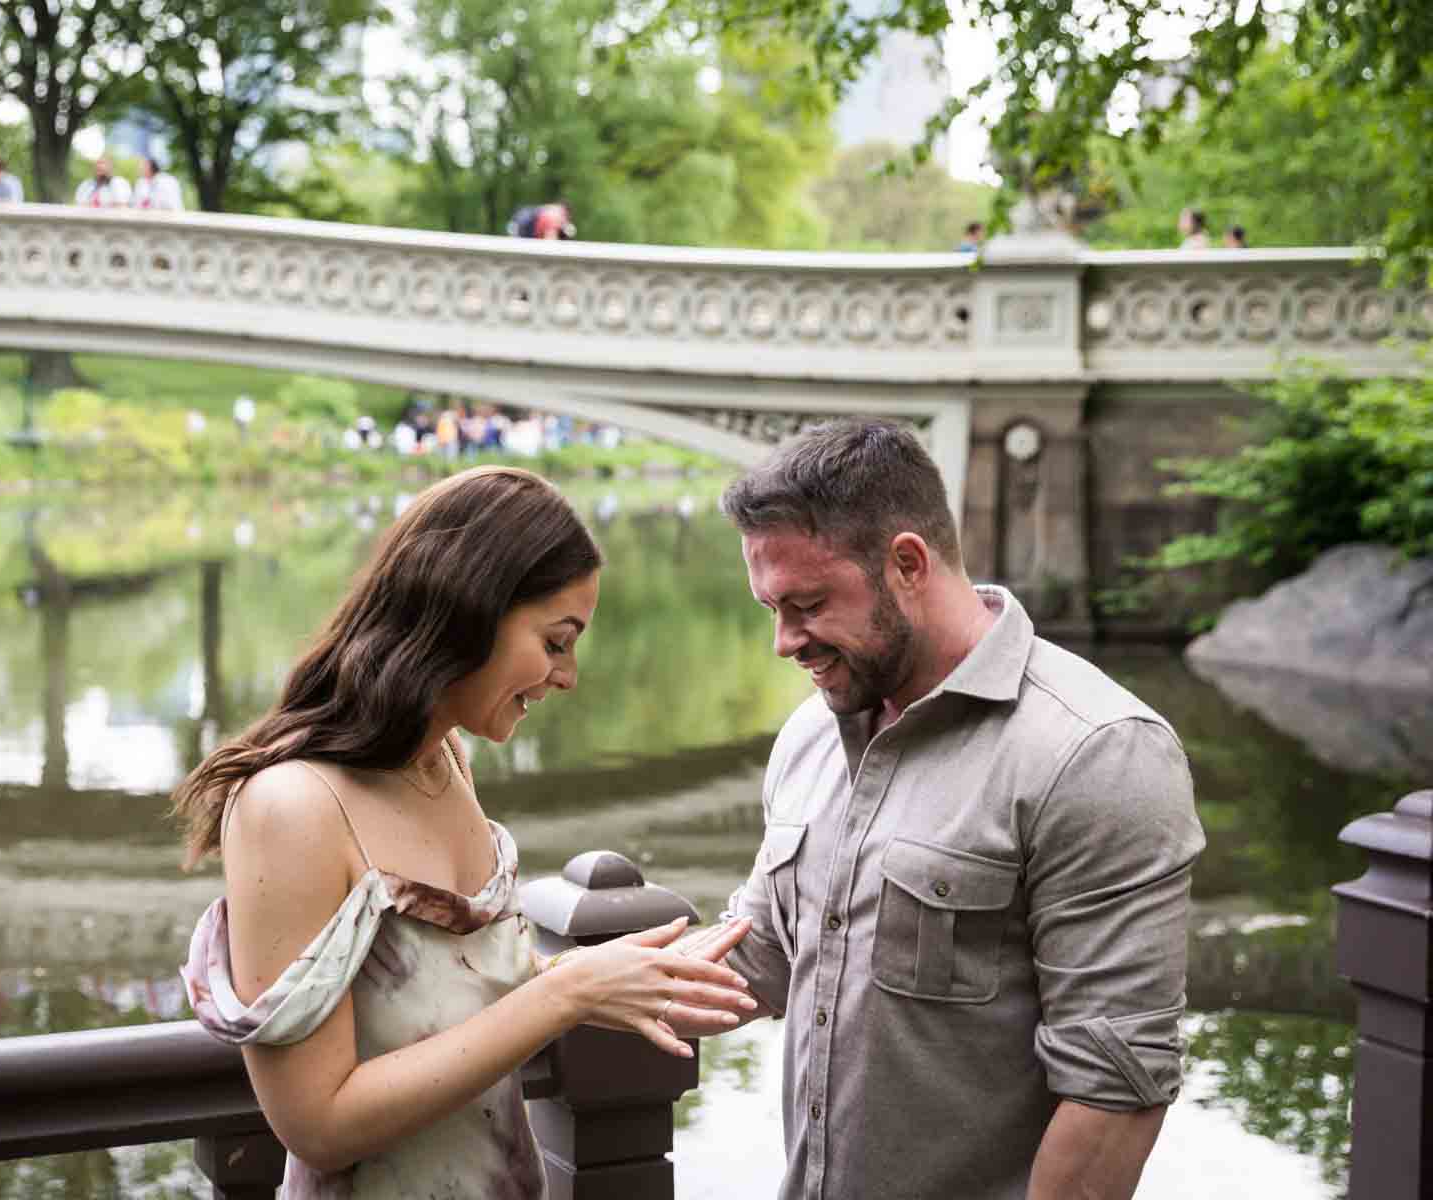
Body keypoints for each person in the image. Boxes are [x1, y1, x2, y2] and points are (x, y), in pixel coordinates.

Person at [174, 466, 756, 1197]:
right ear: (469, 611)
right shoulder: (290, 806)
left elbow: (447, 994)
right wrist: (562, 995)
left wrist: (614, 981)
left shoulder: (447, 761)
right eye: (555, 641)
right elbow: (314, 1124)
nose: (568, 675)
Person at [690, 420, 1204, 1200]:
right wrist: (535, 995)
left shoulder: (1097, 753)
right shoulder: (810, 732)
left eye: (808, 604)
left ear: (906, 564)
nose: (784, 642)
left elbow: (1113, 1093)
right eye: (771, 608)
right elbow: (759, 957)